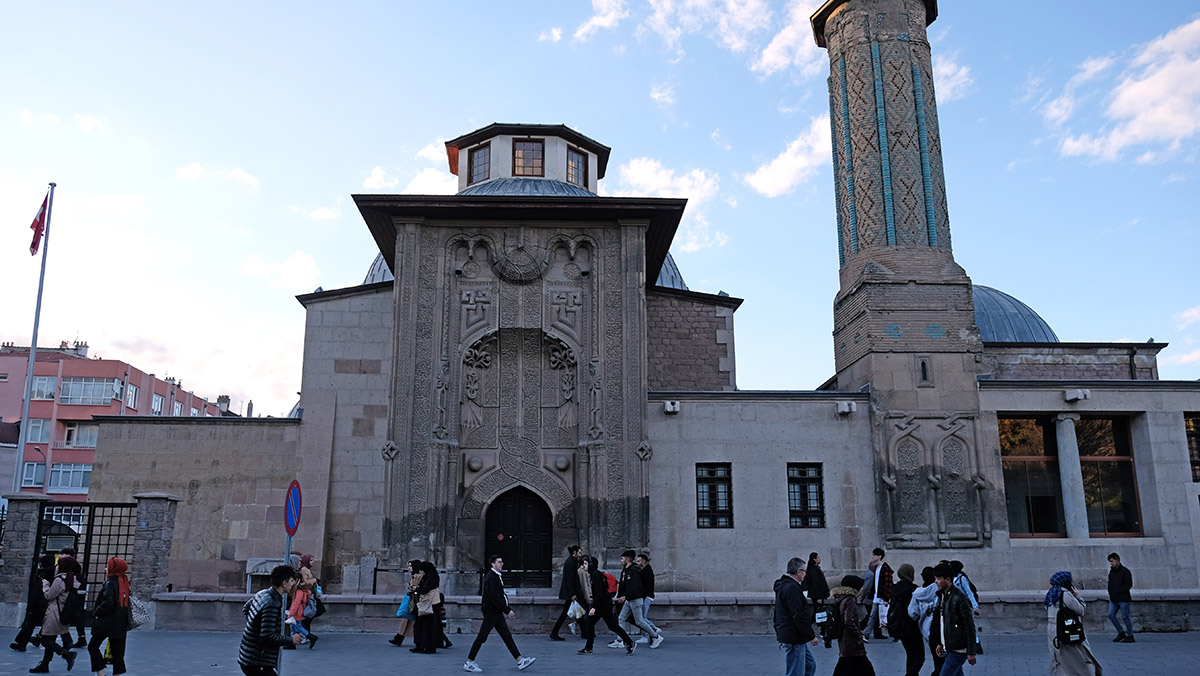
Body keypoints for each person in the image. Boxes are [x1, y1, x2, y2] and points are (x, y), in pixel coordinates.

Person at [463, 555, 536, 673]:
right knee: (482, 636)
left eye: (502, 562)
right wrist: (507, 610)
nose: (502, 564)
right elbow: (494, 597)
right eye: (499, 562)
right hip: (491, 612)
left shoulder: (495, 576)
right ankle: (469, 661)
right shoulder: (491, 577)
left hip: (495, 612)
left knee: (506, 635)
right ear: (492, 564)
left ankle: (520, 660)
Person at [238, 565, 303, 676]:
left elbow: (247, 609)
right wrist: (290, 639)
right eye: (292, 581)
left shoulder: (263, 593)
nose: (293, 585)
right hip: (258, 660)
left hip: (249, 657)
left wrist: (255, 626)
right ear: (284, 583)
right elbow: (267, 636)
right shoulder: (272, 603)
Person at [31, 554, 81, 673]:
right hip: (63, 612)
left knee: (45, 640)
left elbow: (49, 596)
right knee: (50, 639)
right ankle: (45, 664)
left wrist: (46, 585)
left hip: (54, 613)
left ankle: (66, 655)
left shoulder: (60, 579)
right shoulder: (72, 578)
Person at [1046, 571, 1101, 675]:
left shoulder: (1052, 593)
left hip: (1053, 630)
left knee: (1058, 658)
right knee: (1078, 656)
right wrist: (1078, 596)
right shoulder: (1065, 594)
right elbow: (1080, 610)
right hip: (1066, 629)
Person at [578, 556, 634, 655]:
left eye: (586, 563)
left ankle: (589, 648)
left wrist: (594, 607)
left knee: (603, 624)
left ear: (591, 564)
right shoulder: (595, 574)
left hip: (602, 605)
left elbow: (599, 592)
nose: (584, 566)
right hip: (604, 604)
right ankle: (629, 642)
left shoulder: (595, 575)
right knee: (609, 625)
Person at [773, 556, 819, 676]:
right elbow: (798, 615)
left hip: (794, 634)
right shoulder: (792, 588)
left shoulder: (785, 585)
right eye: (804, 571)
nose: (805, 574)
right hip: (794, 635)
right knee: (796, 671)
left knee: (809, 665)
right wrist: (811, 636)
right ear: (799, 572)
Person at [88, 557, 133, 676]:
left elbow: (108, 603)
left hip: (106, 622)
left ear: (114, 568)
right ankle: (116, 674)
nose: (106, 568)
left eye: (108, 566)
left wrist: (97, 611)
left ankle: (101, 673)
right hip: (120, 622)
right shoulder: (124, 582)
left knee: (93, 646)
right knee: (118, 652)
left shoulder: (110, 583)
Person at [931, 563, 976, 676]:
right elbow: (943, 624)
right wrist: (940, 643)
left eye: (939, 578)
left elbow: (969, 625)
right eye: (935, 578)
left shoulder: (960, 598)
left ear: (948, 579)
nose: (936, 581)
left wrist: (971, 652)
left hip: (958, 648)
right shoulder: (943, 596)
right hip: (949, 647)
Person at [613, 549, 663, 649]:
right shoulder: (627, 570)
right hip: (630, 599)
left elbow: (634, 587)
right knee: (621, 618)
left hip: (635, 600)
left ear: (627, 559)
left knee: (640, 621)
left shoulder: (633, 571)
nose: (621, 560)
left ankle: (656, 636)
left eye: (622, 558)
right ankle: (620, 640)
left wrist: (625, 597)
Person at [826, 575, 874, 676]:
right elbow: (849, 620)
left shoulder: (840, 598)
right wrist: (859, 635)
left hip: (844, 639)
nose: (862, 589)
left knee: (849, 663)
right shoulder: (850, 600)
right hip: (851, 639)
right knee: (861, 666)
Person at [10, 554, 55, 653]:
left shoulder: (43, 575)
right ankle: (32, 640)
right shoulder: (54, 574)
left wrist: (30, 606)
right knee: (42, 624)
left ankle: (22, 643)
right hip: (48, 602)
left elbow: (36, 592)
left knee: (30, 623)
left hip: (39, 603)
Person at [888, 563, 923, 676]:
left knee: (911, 654)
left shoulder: (894, 588)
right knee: (919, 657)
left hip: (898, 626)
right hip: (912, 627)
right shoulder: (913, 589)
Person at [908, 566, 943, 676]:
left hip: (924, 628)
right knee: (942, 660)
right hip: (938, 629)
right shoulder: (939, 589)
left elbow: (912, 612)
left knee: (935, 655)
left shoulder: (918, 593)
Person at [550, 545, 583, 640]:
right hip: (571, 593)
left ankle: (585, 632)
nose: (580, 555)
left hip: (572, 592)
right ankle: (554, 632)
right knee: (566, 613)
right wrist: (572, 593)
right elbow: (570, 580)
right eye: (579, 553)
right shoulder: (570, 563)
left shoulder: (572, 562)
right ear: (574, 552)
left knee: (579, 611)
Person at [389, 559, 424, 646]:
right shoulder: (414, 575)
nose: (409, 568)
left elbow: (416, 587)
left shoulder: (418, 576)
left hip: (417, 600)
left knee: (413, 619)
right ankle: (399, 637)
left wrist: (412, 587)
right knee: (406, 617)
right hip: (413, 599)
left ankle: (400, 637)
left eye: (410, 566)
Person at [59, 546, 88, 648]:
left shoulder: (67, 565)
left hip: (70, 593)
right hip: (75, 593)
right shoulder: (75, 565)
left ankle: (68, 640)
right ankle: (80, 637)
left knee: (61, 616)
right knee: (76, 616)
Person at [861, 548, 891, 641]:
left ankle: (896, 634)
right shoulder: (877, 568)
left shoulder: (885, 568)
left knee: (886, 617)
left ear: (879, 557)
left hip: (882, 597)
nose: (872, 557)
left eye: (874, 555)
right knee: (872, 616)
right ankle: (866, 634)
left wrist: (886, 598)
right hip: (876, 597)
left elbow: (888, 584)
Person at [412, 561, 442, 654]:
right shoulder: (429, 575)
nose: (421, 572)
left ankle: (429, 647)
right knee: (422, 626)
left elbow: (426, 589)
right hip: (428, 603)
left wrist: (417, 589)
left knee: (428, 627)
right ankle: (421, 645)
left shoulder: (432, 577)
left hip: (431, 604)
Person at [285, 570, 319, 649]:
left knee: (297, 627)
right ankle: (292, 643)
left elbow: (296, 603)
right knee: (293, 628)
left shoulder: (298, 591)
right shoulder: (299, 589)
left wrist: (290, 614)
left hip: (297, 612)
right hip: (297, 612)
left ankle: (311, 637)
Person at [1107, 552, 1134, 643]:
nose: (1111, 564)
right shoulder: (1112, 571)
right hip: (1114, 599)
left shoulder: (1125, 571)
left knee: (1125, 617)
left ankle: (1130, 635)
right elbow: (1110, 583)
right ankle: (1121, 632)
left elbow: (1128, 584)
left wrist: (1119, 591)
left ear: (1117, 561)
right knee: (1111, 614)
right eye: (1110, 562)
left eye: (1112, 561)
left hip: (1123, 598)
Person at [634, 553, 660, 643]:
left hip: (646, 597)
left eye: (638, 561)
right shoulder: (646, 570)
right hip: (647, 596)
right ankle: (646, 634)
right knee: (641, 617)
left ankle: (653, 630)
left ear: (643, 561)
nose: (637, 563)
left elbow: (645, 587)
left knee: (641, 618)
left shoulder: (646, 571)